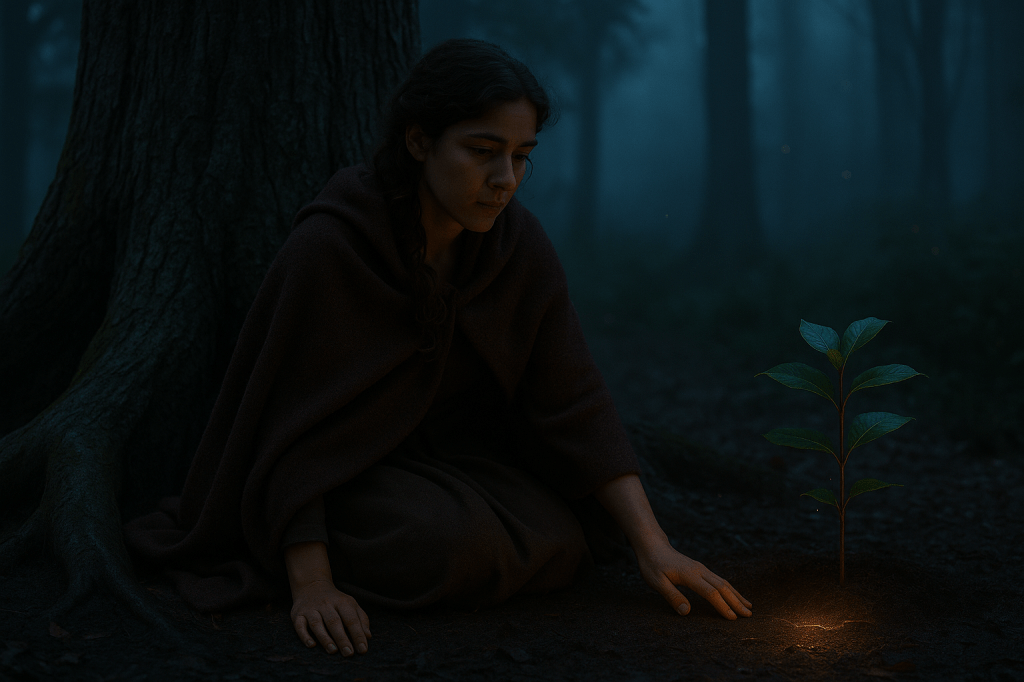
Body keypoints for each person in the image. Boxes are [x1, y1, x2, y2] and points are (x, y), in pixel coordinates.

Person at [125, 38, 751, 660]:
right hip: (345, 471)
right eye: (482, 152)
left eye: (521, 156)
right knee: (453, 545)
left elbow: (572, 395)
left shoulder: (516, 245)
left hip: (458, 463)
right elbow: (291, 430)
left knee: (566, 535)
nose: (504, 180)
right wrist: (311, 583)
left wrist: (654, 544)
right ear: (419, 141)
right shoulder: (332, 247)